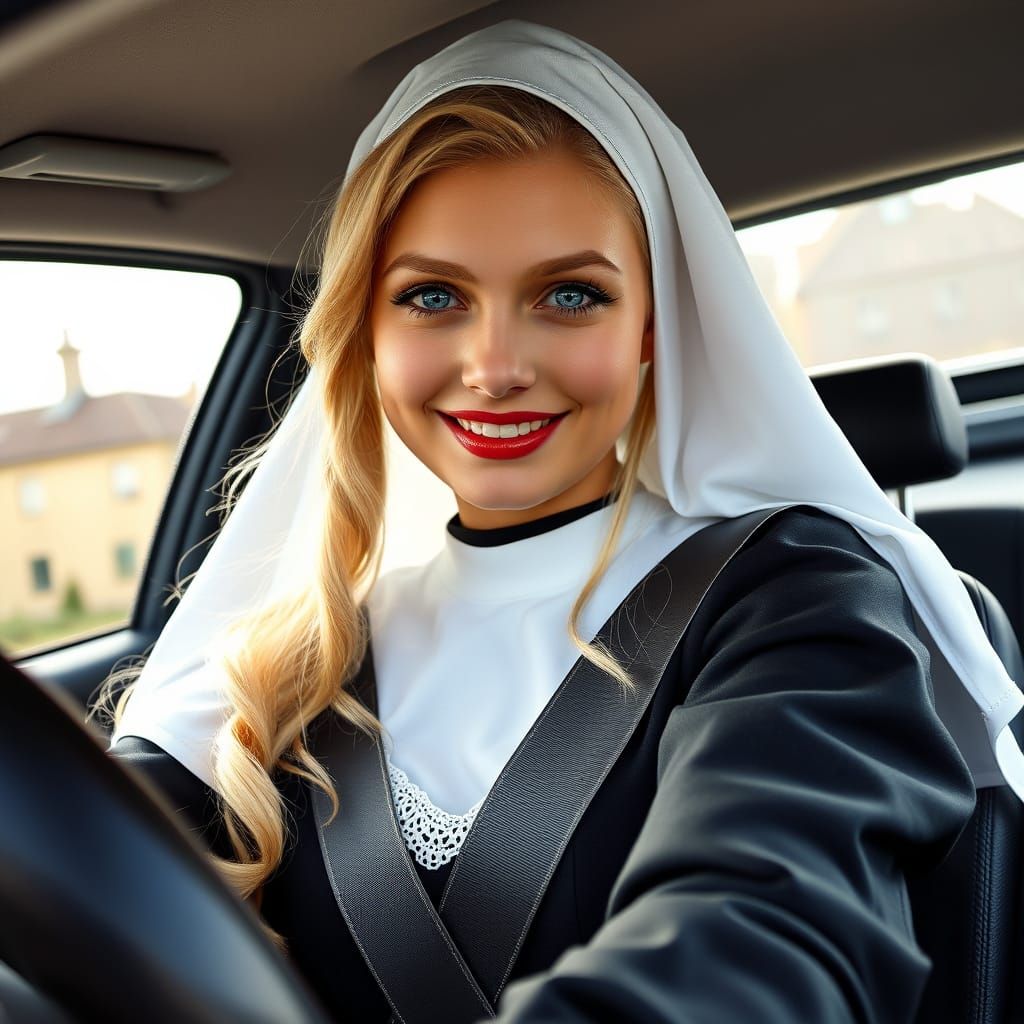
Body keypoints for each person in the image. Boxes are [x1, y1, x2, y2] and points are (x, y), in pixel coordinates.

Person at [95, 19, 1024, 1023]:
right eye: (434, 295)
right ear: (364, 328)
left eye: (570, 294)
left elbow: (763, 933)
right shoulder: (286, 667)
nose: (494, 365)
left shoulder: (797, 599)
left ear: (652, 327)